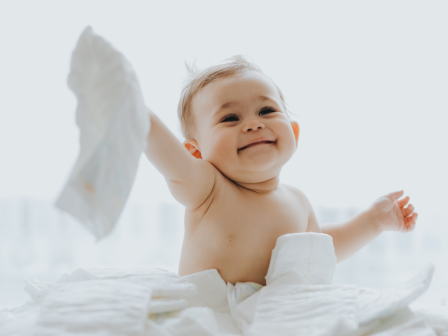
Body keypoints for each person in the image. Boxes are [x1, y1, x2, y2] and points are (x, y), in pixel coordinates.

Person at [144, 56, 417, 286]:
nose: (253, 124)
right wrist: (132, 110)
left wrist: (372, 221)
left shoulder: (297, 201)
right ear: (195, 152)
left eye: (266, 110)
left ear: (294, 133)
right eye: (230, 118)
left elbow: (319, 249)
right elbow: (164, 151)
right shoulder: (207, 188)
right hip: (210, 320)